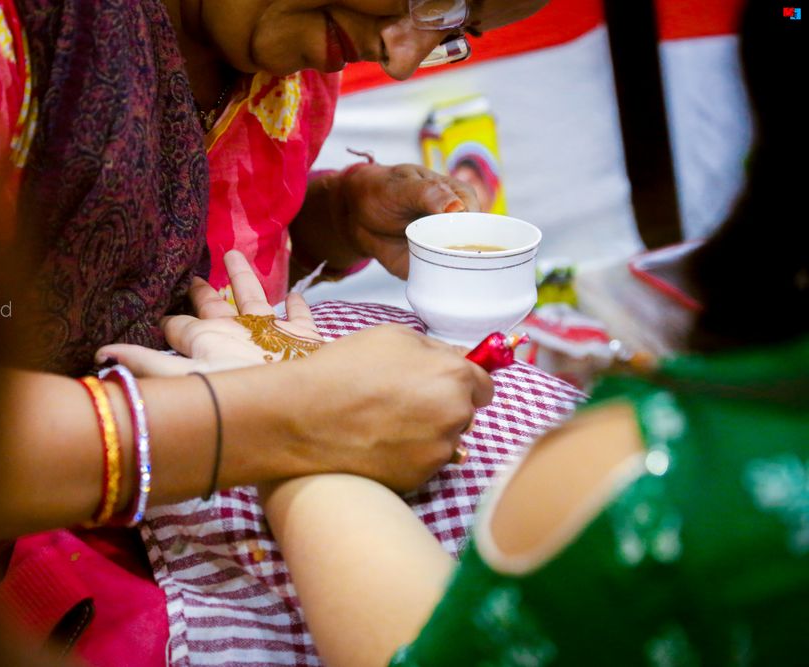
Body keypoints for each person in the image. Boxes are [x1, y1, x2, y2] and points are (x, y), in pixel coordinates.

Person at [0, 0, 548, 663]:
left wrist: (333, 221)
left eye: (455, 31)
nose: (400, 58)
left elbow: (169, 271)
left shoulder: (297, 59)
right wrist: (276, 422)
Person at [258, 4, 809, 664]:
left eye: (456, 27)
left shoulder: (645, 470)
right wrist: (334, 216)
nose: (401, 62)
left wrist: (281, 430)